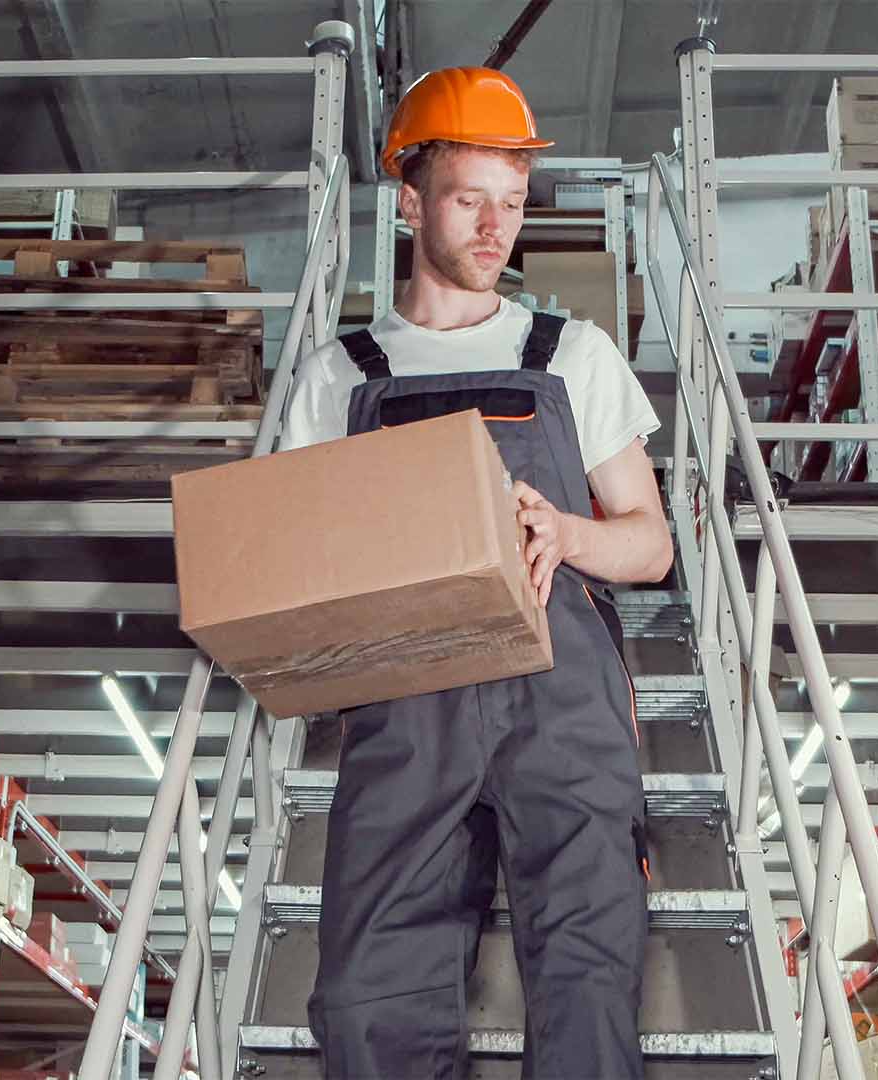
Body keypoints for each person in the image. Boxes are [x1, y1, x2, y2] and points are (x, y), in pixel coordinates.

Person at [276, 66, 672, 1078]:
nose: (498, 227)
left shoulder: (571, 354)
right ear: (410, 201)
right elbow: (293, 564)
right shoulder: (340, 376)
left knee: (588, 983)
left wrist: (569, 532)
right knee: (370, 994)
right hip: (408, 705)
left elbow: (653, 542)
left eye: (514, 202)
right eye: (469, 199)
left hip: (561, 697)